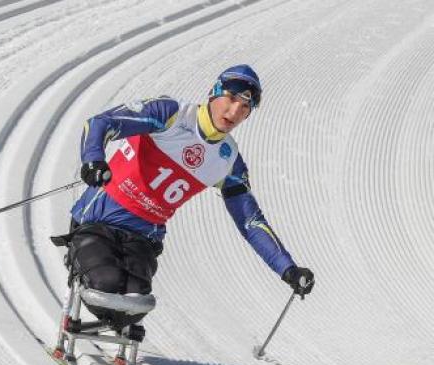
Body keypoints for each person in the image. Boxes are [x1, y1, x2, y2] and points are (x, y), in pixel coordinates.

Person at [65, 64, 315, 326]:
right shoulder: (171, 114)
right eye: (231, 98)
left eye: (245, 108)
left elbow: (250, 222)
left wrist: (288, 269)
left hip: (141, 239)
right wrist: (93, 160)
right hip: (97, 222)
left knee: (136, 303)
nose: (234, 112)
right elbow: (101, 123)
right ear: (214, 92)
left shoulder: (228, 161)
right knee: (106, 284)